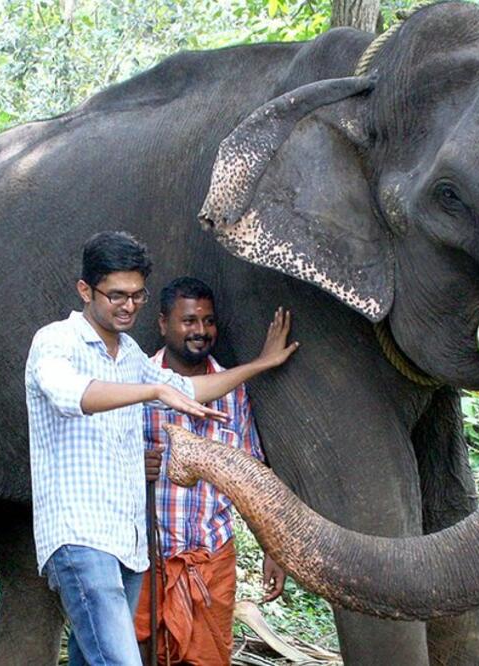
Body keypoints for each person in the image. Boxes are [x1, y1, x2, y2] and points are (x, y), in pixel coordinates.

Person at [25, 232, 298, 665]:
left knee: (90, 656)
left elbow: (189, 388)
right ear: (85, 290)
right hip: (80, 537)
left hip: (128, 543)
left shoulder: (129, 354)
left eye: (136, 295)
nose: (127, 305)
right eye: (116, 295)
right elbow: (70, 394)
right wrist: (151, 388)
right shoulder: (57, 342)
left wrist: (260, 365)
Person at [135, 277, 287, 665]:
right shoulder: (135, 383)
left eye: (207, 321)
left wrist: (274, 549)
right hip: (144, 555)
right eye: (188, 321)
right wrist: (134, 467)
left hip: (211, 559)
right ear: (162, 323)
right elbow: (101, 461)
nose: (200, 331)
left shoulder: (234, 391)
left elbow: (251, 474)